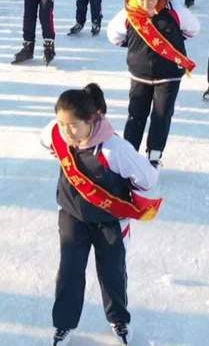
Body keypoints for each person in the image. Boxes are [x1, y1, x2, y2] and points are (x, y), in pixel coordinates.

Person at [41, 83, 160, 346]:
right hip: (72, 214)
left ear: (92, 120)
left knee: (111, 271)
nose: (66, 131)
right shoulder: (58, 133)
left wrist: (129, 187)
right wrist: (59, 132)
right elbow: (45, 138)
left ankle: (119, 319)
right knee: (70, 270)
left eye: (73, 125)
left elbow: (148, 179)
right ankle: (64, 324)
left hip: (109, 219)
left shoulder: (113, 149)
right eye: (61, 123)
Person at [107, 0, 199, 167]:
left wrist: (170, 42)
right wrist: (135, 47)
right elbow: (114, 36)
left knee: (161, 115)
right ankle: (128, 154)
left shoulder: (175, 11)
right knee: (135, 114)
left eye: (151, 0)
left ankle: (154, 156)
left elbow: (193, 29)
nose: (146, 4)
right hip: (139, 74)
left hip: (169, 75)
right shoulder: (128, 12)